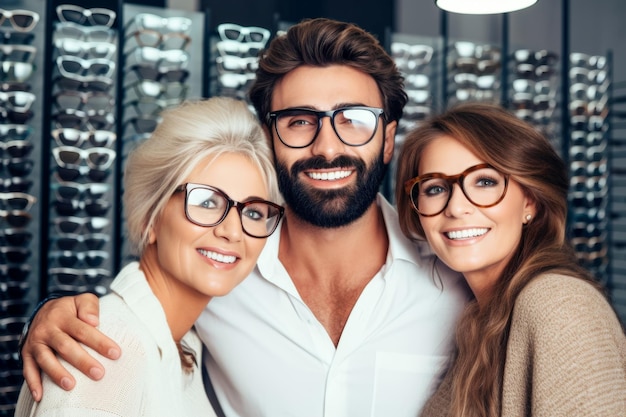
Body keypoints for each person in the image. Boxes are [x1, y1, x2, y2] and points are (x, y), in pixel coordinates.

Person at [20, 18, 470, 417]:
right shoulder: (222, 269)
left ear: (388, 139)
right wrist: (51, 314)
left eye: (353, 119)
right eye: (299, 121)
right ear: (269, 137)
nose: (328, 147)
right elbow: (137, 316)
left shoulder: (456, 281)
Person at [15, 97, 284, 416]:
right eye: (207, 202)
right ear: (150, 217)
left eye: (253, 212)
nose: (232, 231)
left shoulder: (184, 345)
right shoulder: (109, 348)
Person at [395, 102, 626, 416]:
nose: (456, 208)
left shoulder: (560, 305)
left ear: (530, 200)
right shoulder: (478, 322)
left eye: (485, 182)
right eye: (435, 188)